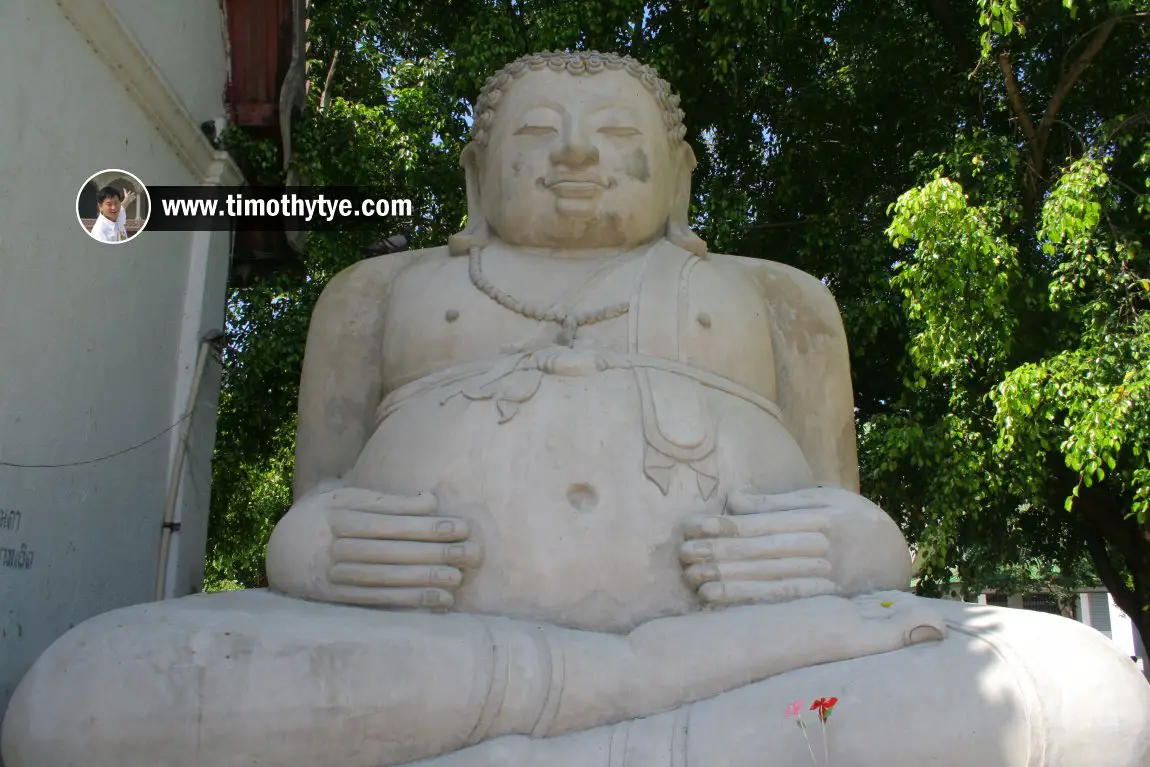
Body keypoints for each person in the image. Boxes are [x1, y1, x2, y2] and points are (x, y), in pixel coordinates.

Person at [4, 51, 1149, 767]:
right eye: (538, 140)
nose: (577, 160)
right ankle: (648, 719)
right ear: (472, 174)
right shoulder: (383, 293)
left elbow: (854, 525)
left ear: (684, 177)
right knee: (78, 697)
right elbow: (306, 520)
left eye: (617, 142)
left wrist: (847, 537)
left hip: (735, 645)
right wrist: (317, 544)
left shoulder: (771, 296)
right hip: (435, 651)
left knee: (1087, 698)